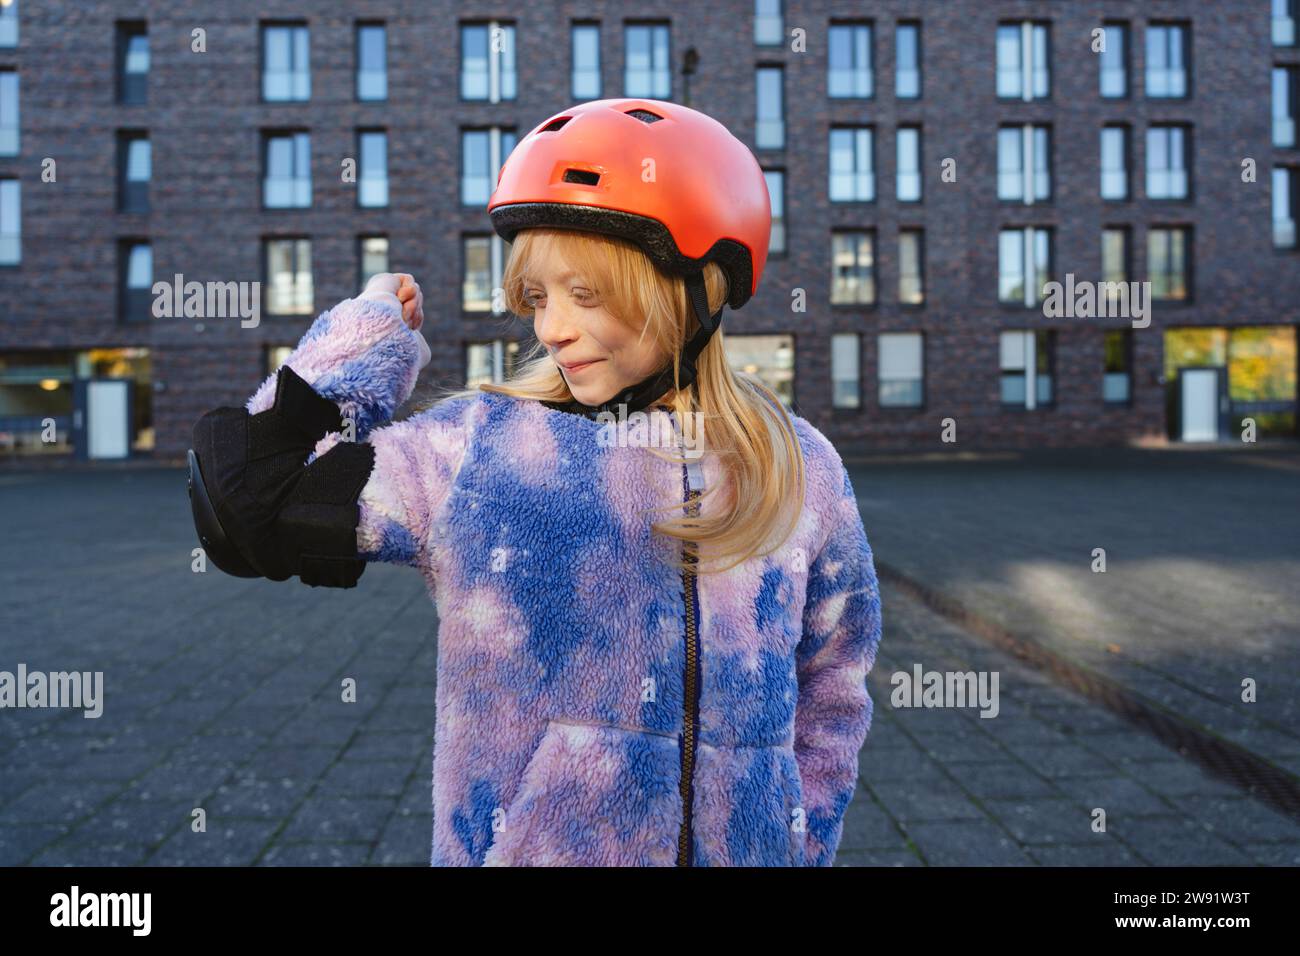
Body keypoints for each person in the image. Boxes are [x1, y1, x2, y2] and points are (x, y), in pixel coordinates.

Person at [187, 98, 882, 866]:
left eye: (586, 295)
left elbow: (835, 686)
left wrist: (802, 839)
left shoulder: (798, 464)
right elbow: (246, 503)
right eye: (536, 298)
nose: (551, 328)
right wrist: (365, 341)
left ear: (705, 286)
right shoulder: (479, 454)